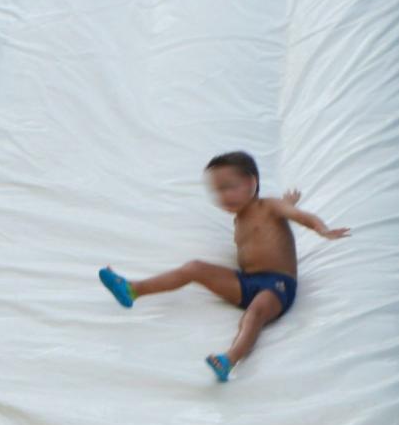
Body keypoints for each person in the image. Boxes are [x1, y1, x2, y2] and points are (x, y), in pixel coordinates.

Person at [98, 151, 350, 382]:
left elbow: (299, 216)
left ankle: (230, 359)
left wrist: (321, 229)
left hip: (277, 285)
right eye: (218, 191)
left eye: (230, 187)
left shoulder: (269, 206)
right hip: (245, 282)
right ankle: (133, 290)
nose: (223, 197)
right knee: (194, 267)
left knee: (255, 313)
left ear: (252, 183)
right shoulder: (239, 219)